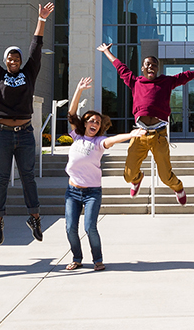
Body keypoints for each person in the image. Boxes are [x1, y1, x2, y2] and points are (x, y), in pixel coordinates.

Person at [0, 3, 55, 245]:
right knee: (2, 178)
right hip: (1, 133)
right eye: (10, 57)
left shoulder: (29, 73)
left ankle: (35, 218)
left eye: (16, 57)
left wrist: (41, 19)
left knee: (28, 177)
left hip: (25, 133)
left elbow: (36, 48)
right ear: (5, 61)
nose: (14, 59)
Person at [97, 43, 194, 205]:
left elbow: (188, 75)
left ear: (157, 69)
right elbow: (119, 67)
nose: (151, 67)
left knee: (165, 175)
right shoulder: (135, 82)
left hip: (159, 133)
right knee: (128, 174)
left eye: (154, 65)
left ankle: (178, 187)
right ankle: (137, 179)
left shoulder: (166, 82)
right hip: (140, 133)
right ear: (142, 68)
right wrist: (106, 51)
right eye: (147, 64)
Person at [63, 77, 144, 271]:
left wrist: (131, 135)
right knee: (70, 228)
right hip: (72, 191)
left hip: (92, 192)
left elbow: (114, 139)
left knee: (89, 227)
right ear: (85, 123)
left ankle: (97, 260)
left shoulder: (99, 142)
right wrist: (79, 89)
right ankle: (77, 258)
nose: (94, 123)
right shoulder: (78, 136)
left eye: (98, 122)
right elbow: (71, 112)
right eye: (91, 121)